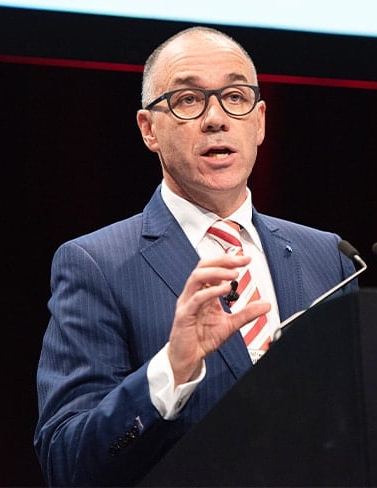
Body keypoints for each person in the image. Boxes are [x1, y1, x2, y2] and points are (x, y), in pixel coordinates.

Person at [34, 26, 357, 486]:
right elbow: (66, 462)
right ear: (149, 129)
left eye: (235, 97)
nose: (216, 118)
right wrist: (173, 366)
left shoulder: (328, 255)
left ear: (260, 120)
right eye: (188, 100)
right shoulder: (96, 265)